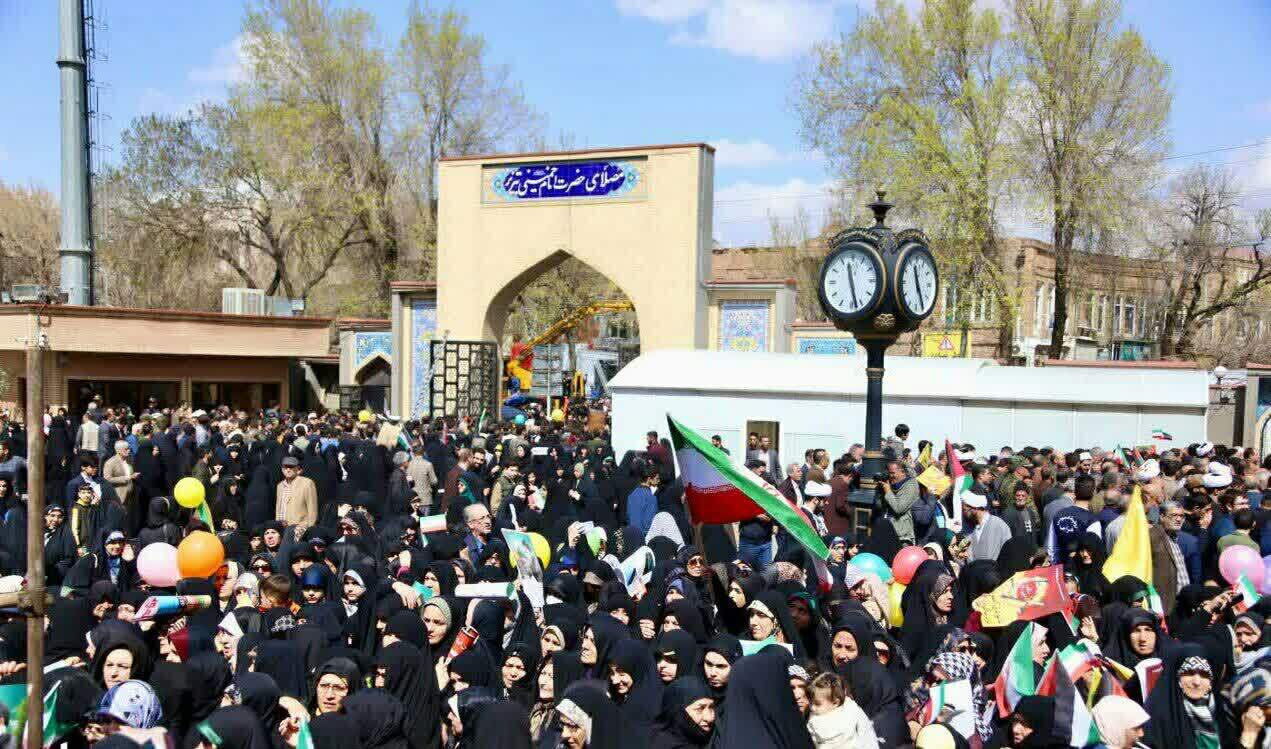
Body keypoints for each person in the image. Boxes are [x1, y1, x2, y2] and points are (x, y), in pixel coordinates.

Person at [880, 460, 919, 545]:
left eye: (893, 473)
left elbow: (899, 508)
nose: (891, 476)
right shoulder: (892, 485)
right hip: (888, 532)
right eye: (889, 473)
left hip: (903, 537)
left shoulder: (911, 485)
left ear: (902, 472)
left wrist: (888, 492)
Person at [275, 456, 317, 528]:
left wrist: (309, 528)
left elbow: (312, 509)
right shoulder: (280, 486)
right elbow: (278, 507)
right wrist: (277, 525)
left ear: (297, 469)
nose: (288, 470)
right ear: (282, 469)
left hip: (300, 527)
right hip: (282, 527)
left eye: (291, 467)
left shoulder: (307, 483)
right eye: (285, 467)